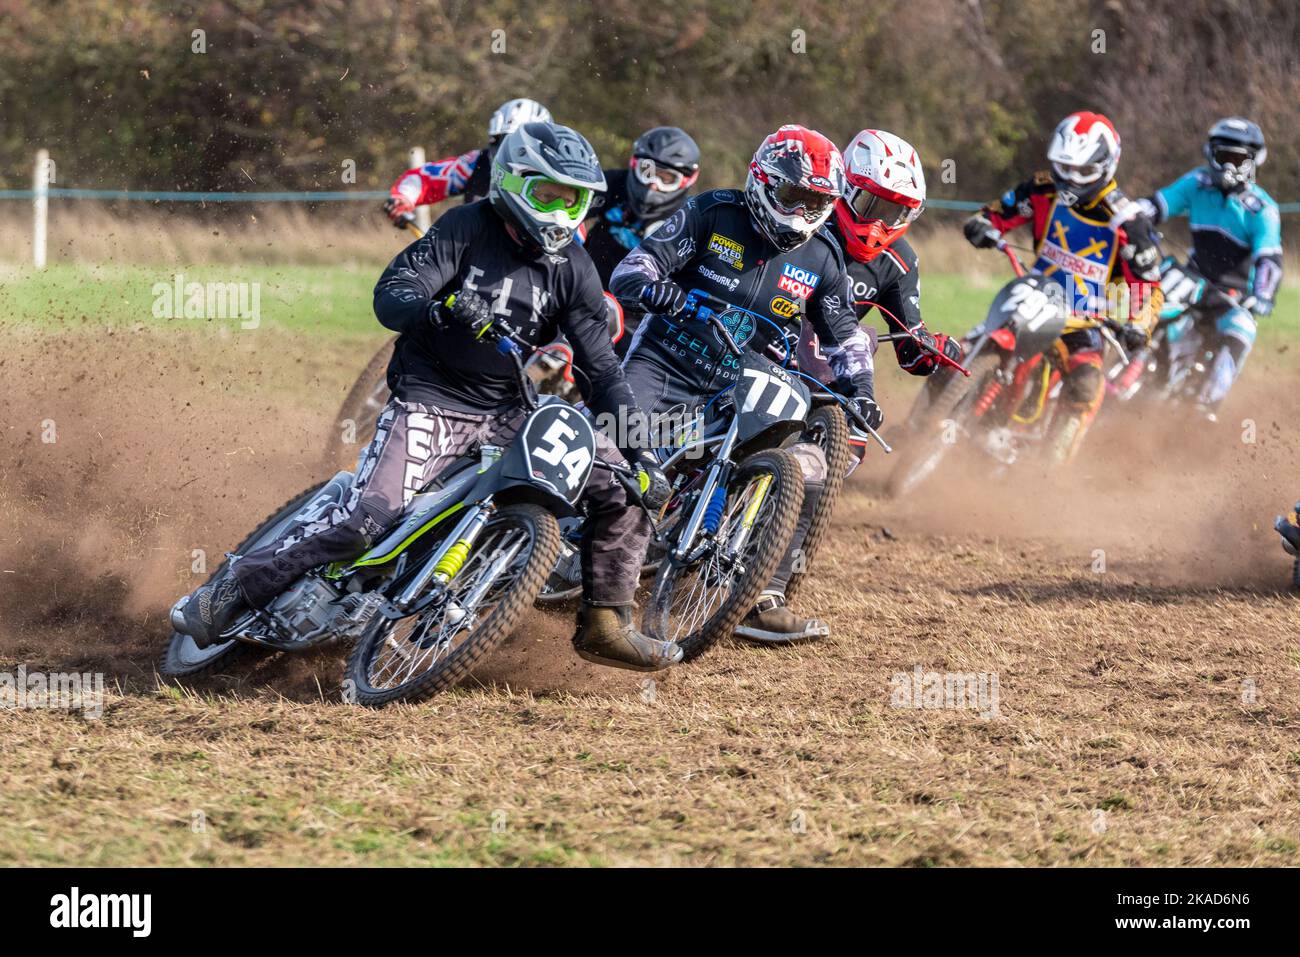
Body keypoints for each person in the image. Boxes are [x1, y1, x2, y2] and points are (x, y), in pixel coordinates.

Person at [178, 122, 680, 673]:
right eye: (548, 195)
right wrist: (439, 308)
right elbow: (393, 294)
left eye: (575, 200)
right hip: (432, 398)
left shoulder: (576, 269)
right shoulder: (467, 227)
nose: (561, 213)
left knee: (628, 492)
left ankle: (607, 622)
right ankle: (232, 589)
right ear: (513, 182)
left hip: (510, 409)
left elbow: (603, 370)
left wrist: (643, 452)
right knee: (369, 519)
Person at [609, 124, 880, 643]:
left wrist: (862, 389)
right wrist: (663, 294)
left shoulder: (822, 256)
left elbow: (845, 335)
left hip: (746, 380)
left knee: (812, 465)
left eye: (816, 203)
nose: (802, 213)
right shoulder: (712, 212)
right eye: (794, 196)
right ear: (762, 180)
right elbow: (631, 270)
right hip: (665, 362)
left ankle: (761, 594)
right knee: (619, 455)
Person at [960, 111, 1163, 462]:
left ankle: (1051, 467)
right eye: (1063, 168)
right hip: (1030, 297)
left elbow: (1149, 288)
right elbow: (995, 213)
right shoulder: (1041, 187)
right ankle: (920, 426)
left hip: (1085, 321)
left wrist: (1138, 326)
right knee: (959, 352)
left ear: (1106, 165)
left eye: (1082, 172)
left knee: (1088, 384)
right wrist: (981, 225)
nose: (1070, 180)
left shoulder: (1131, 224)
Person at [797, 128, 964, 467]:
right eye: (869, 204)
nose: (876, 223)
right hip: (764, 339)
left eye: (891, 212)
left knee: (854, 449)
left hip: (836, 365)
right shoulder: (804, 221)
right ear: (846, 189)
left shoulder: (901, 262)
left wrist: (933, 349)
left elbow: (910, 351)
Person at [1137, 117, 1283, 418]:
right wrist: (1134, 215)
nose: (1230, 166)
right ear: (1210, 156)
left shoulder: (1262, 209)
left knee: (1242, 331)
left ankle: (1205, 409)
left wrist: (1263, 296)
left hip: (1231, 297)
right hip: (1190, 279)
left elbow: (1269, 259)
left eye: (1239, 159)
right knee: (1143, 306)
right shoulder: (1196, 183)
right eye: (1223, 157)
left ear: (1256, 162)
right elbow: (1160, 204)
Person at [381, 97, 552, 223]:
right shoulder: (476, 163)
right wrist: (404, 198)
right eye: (503, 141)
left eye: (518, 144)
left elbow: (577, 243)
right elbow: (425, 178)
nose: (509, 150)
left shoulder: (558, 177)